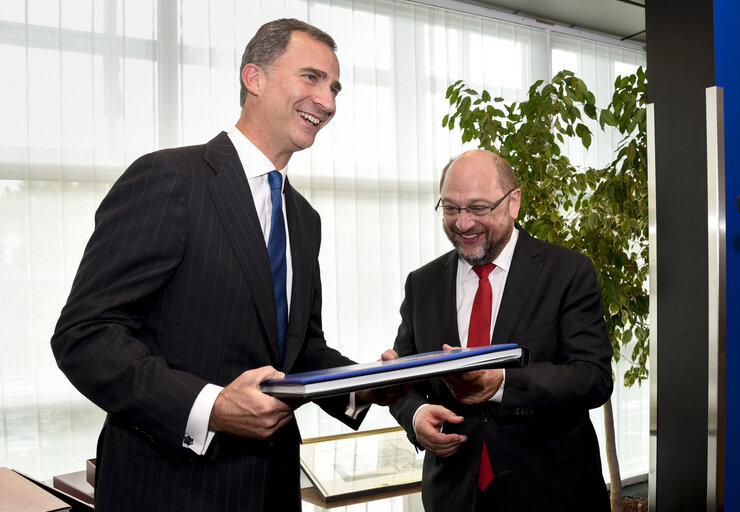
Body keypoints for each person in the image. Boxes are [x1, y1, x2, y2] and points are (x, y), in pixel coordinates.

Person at [51, 18, 400, 512]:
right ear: (253, 78)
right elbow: (85, 336)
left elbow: (299, 351)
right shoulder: (170, 178)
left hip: (273, 488)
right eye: (311, 78)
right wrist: (210, 408)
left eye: (335, 87)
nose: (328, 101)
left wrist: (363, 385)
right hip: (169, 488)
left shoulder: (303, 218)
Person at [389, 149, 613, 511]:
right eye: (450, 208)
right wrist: (414, 416)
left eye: (478, 208)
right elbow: (405, 379)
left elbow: (594, 377)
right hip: (453, 495)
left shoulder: (568, 272)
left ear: (513, 203)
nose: (463, 223)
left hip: (553, 492)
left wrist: (502, 383)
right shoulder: (422, 284)